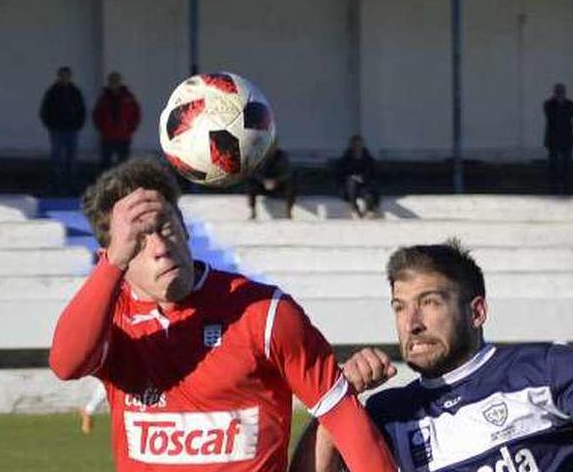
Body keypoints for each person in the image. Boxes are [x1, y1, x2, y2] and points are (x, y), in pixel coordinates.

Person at [48, 158, 396, 471]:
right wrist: (112, 266)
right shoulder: (112, 322)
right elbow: (66, 363)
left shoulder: (265, 313)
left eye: (165, 226)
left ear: (184, 228)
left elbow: (346, 422)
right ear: (111, 256)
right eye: (137, 240)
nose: (159, 248)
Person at [291, 240, 573, 472]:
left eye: (429, 303)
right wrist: (338, 401)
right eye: (399, 307)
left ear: (477, 312)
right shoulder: (388, 413)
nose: (412, 323)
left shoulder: (544, 366)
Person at [39, 66, 86, 195]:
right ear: (59, 77)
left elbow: (82, 110)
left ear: (70, 77)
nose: (65, 78)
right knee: (57, 159)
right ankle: (57, 187)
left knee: (72, 159)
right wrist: (51, 125)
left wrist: (78, 124)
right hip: (57, 130)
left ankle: (72, 186)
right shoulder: (52, 92)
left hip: (72, 130)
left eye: (67, 76)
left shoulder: (75, 92)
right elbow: (45, 110)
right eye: (62, 76)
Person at [93, 72, 141, 171]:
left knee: (123, 165)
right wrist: (103, 129)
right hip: (108, 137)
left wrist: (130, 129)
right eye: (112, 82)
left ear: (120, 82)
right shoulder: (103, 98)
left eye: (116, 81)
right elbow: (96, 115)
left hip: (124, 136)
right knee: (106, 164)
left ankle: (123, 185)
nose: (114, 84)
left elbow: (136, 114)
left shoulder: (128, 97)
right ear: (109, 83)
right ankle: (106, 185)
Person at [542, 83, 573, 195]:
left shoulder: (570, 104)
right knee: (553, 164)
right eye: (558, 91)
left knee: (568, 164)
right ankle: (554, 188)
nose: (560, 94)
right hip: (553, 139)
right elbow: (550, 115)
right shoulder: (549, 104)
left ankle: (568, 188)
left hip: (567, 138)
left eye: (561, 91)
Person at [336, 134, 380, 218]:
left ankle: (369, 212)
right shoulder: (345, 160)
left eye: (359, 144)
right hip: (349, 189)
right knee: (351, 181)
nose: (357, 147)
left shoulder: (369, 159)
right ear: (352, 146)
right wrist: (353, 177)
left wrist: (362, 178)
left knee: (369, 196)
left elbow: (373, 175)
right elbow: (340, 175)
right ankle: (354, 209)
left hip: (364, 186)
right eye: (355, 145)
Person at [247, 146, 297, 219]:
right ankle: (253, 212)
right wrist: (263, 180)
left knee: (291, 185)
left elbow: (287, 172)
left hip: (278, 184)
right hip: (264, 184)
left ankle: (289, 212)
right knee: (251, 184)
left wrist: (276, 181)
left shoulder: (282, 156)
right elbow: (253, 171)